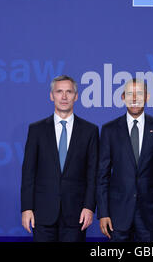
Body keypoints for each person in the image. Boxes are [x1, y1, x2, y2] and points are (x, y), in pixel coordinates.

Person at [20, 75, 99, 242]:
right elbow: (28, 173)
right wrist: (27, 208)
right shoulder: (36, 130)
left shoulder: (90, 131)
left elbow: (93, 175)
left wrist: (89, 207)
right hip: (42, 215)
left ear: (76, 96)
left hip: (76, 215)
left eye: (69, 92)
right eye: (59, 92)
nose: (64, 97)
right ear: (51, 96)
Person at [97, 78, 153, 242]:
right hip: (118, 215)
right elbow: (102, 175)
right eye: (130, 94)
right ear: (123, 97)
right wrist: (103, 213)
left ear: (147, 97)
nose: (134, 99)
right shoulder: (109, 130)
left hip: (150, 214)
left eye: (139, 94)